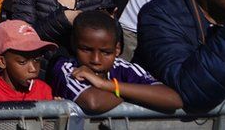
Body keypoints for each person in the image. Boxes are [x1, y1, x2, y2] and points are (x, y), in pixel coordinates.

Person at [47, 11, 182, 114]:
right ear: (73, 44)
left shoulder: (122, 67)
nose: (96, 60)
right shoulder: (67, 68)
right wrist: (137, 93)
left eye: (106, 52)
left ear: (117, 49)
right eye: (86, 49)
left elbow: (173, 100)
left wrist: (104, 84)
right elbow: (94, 102)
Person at [0, 20, 57, 106]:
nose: (33, 69)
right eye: (22, 62)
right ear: (2, 61)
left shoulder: (43, 90)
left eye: (37, 60)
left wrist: (60, 112)